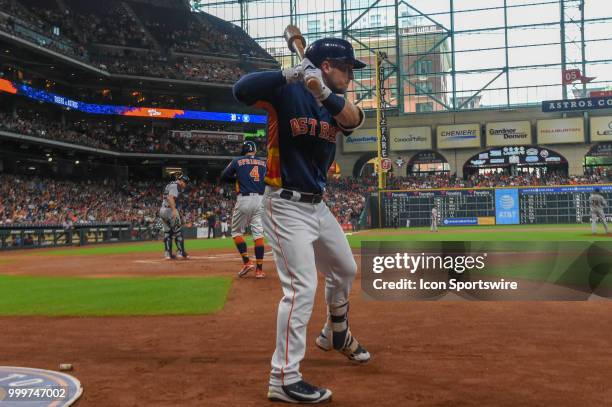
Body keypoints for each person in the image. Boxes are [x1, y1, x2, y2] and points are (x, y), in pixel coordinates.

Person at [233, 37, 370, 404]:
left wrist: (323, 91)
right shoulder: (286, 91)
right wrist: (290, 73)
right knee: (301, 289)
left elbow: (355, 120)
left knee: (345, 269)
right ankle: (284, 378)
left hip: (317, 206)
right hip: (284, 202)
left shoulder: (333, 103)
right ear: (327, 65)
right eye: (346, 69)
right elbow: (241, 89)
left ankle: (335, 333)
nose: (351, 77)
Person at [220, 140, 267, 278]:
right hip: (260, 199)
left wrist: (237, 178)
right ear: (255, 150)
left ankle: (247, 262)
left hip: (244, 199)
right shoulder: (264, 162)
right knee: (258, 234)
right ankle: (259, 270)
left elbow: (224, 176)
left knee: (236, 232)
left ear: (244, 150)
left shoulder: (237, 160)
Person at [159, 173, 189, 259]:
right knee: (178, 232)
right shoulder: (176, 185)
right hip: (169, 210)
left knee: (168, 232)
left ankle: (167, 254)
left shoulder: (170, 184)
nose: (185, 185)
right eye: (185, 182)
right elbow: (170, 197)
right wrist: (174, 210)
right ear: (182, 181)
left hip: (163, 210)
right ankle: (180, 252)